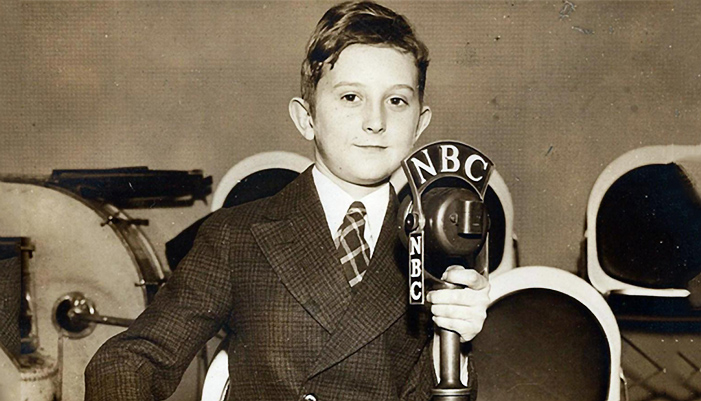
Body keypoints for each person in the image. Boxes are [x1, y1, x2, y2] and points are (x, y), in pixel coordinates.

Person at [85, 2, 490, 400]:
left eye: (396, 100)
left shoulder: (438, 247)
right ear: (306, 118)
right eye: (351, 97)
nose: (376, 121)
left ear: (420, 123)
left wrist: (451, 344)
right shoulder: (236, 237)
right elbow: (132, 361)